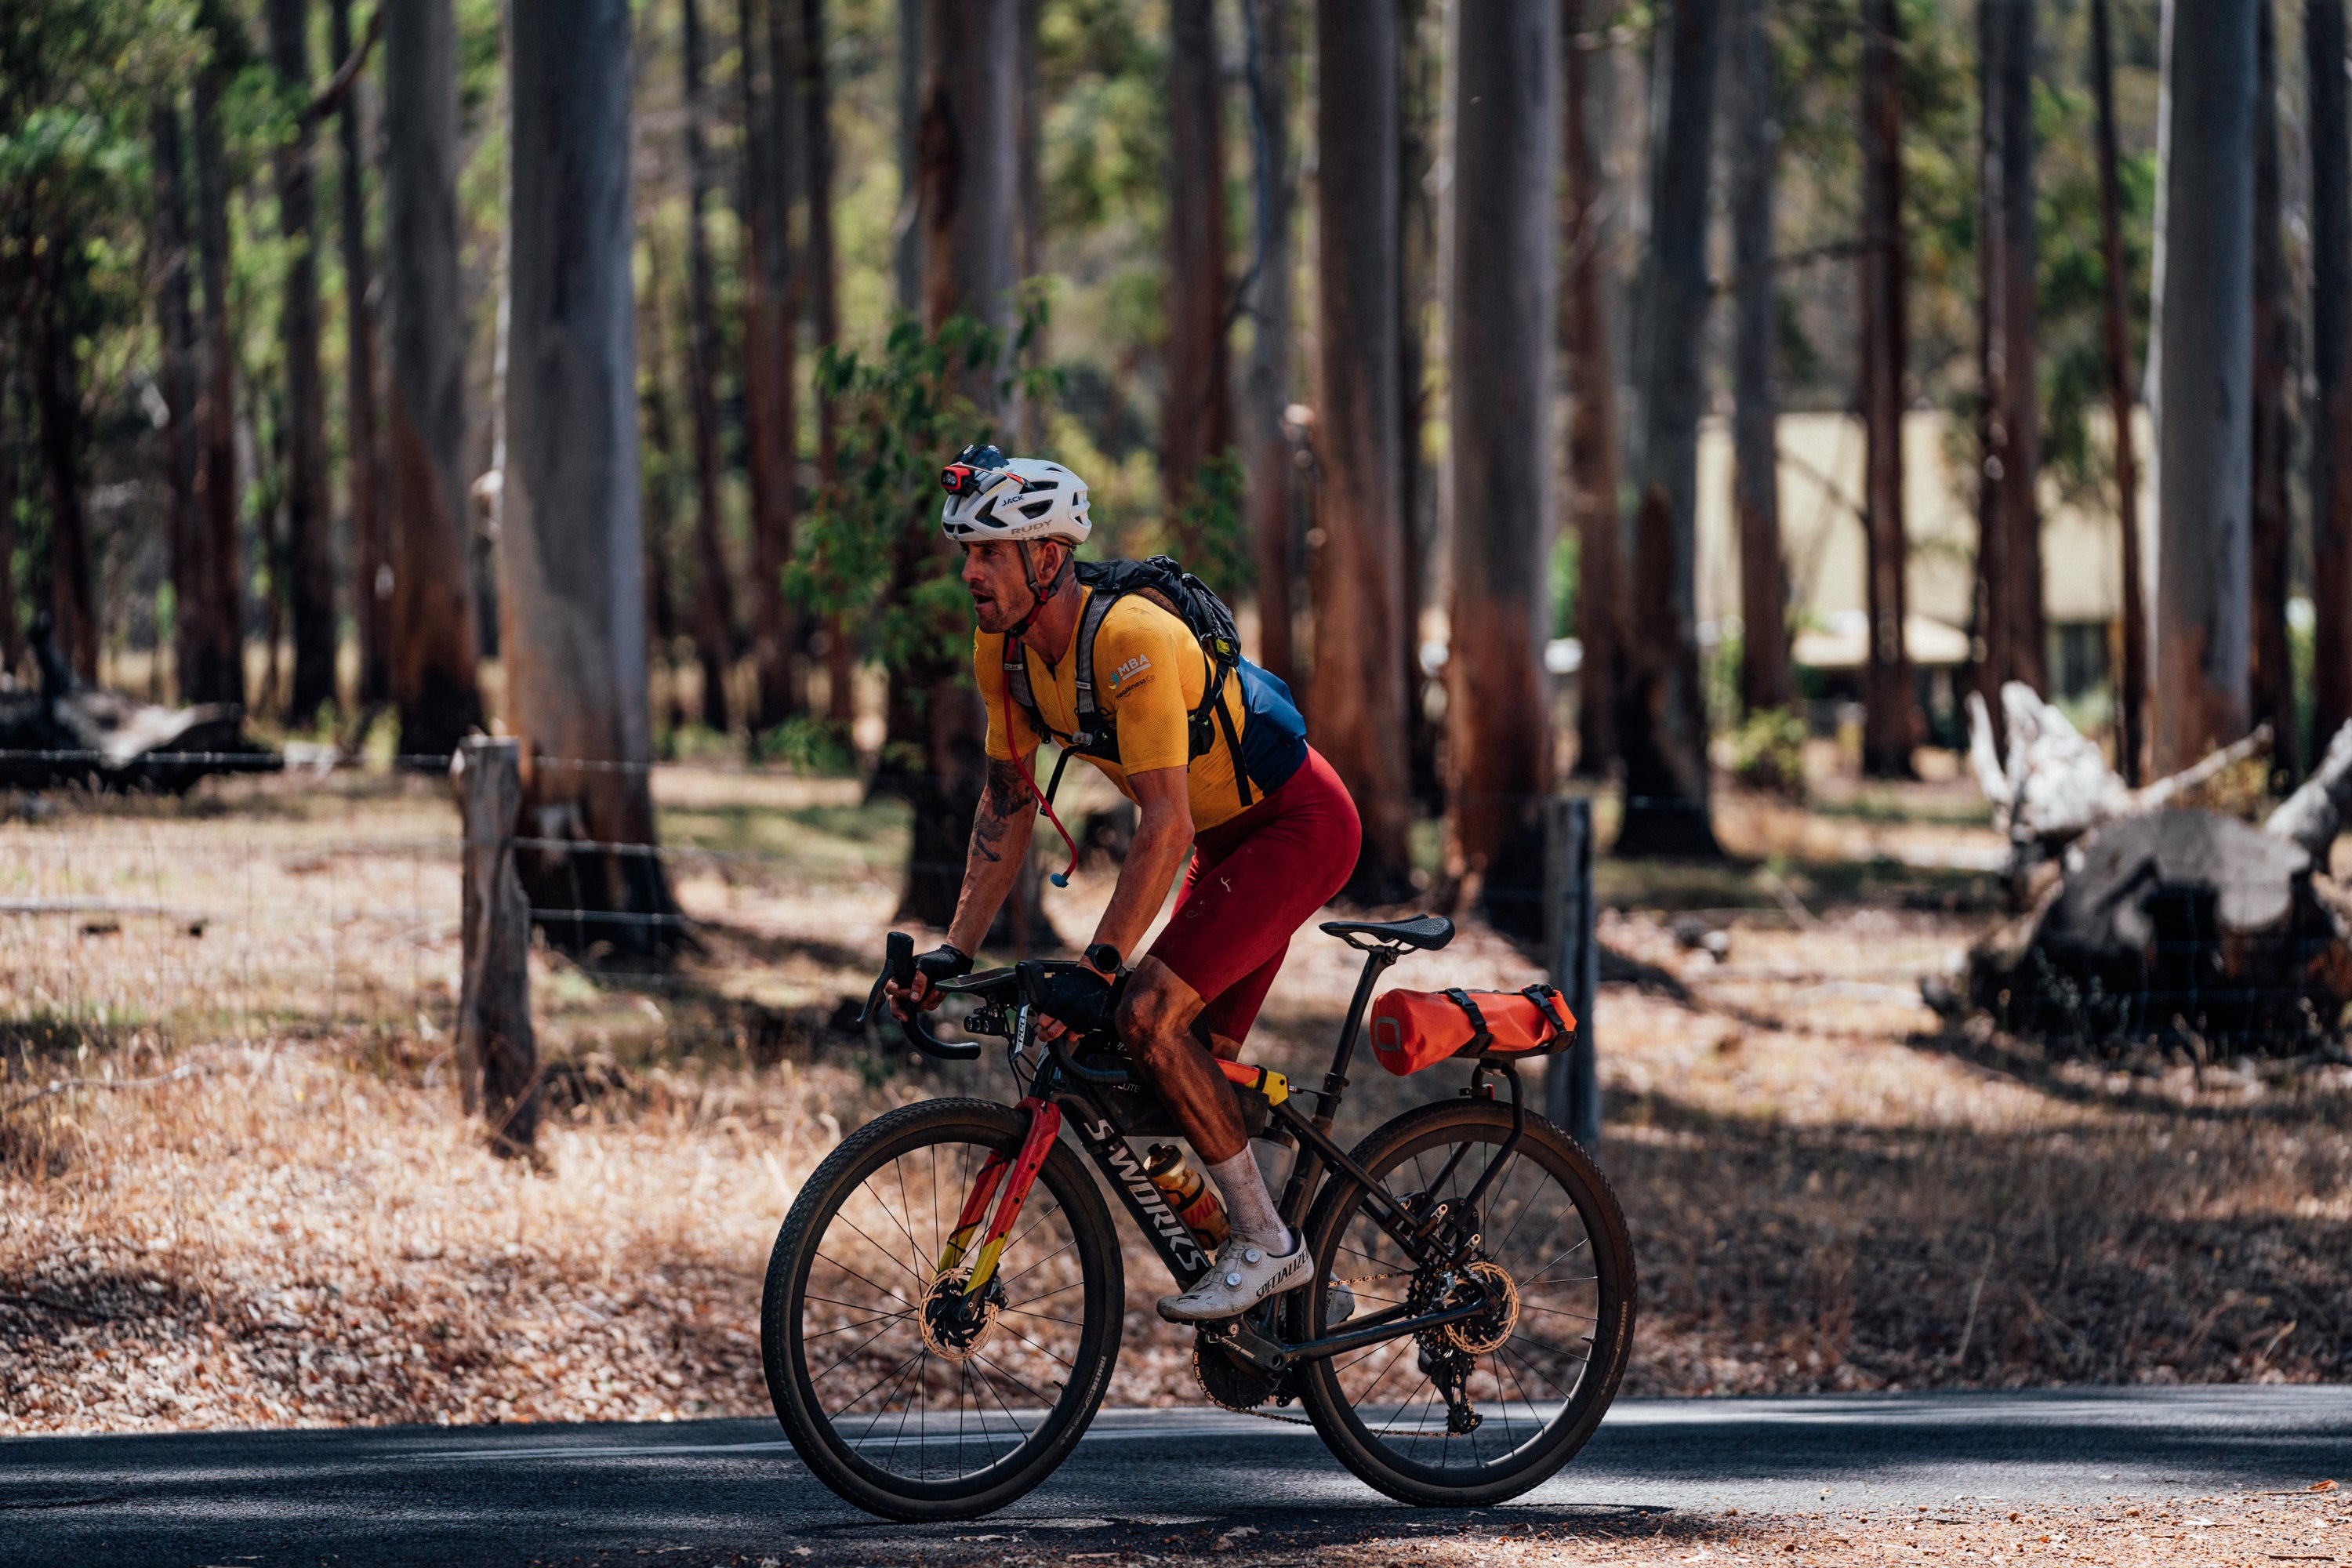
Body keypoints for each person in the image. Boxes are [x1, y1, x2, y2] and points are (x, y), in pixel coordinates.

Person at [887, 445, 1361, 1323]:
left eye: (989, 551)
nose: (970, 572)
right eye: (966, 552)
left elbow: (1165, 824)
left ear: (1048, 557)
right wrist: (954, 948)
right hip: (1224, 843)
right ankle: (1291, 1298)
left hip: (1298, 827)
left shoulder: (1130, 640)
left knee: (1144, 1013)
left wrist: (1101, 963)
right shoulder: (1008, 651)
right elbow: (1005, 803)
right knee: (1164, 1068)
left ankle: (1267, 1244)